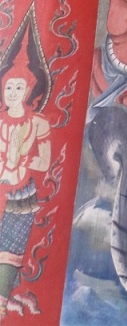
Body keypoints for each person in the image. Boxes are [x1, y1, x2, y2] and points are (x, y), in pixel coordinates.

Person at [0, 26, 52, 321]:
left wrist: (22, 158)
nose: (12, 93)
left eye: (18, 88)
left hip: (21, 193)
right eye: (8, 87)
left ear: (29, 90)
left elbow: (44, 163)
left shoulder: (39, 123)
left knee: (8, 253)